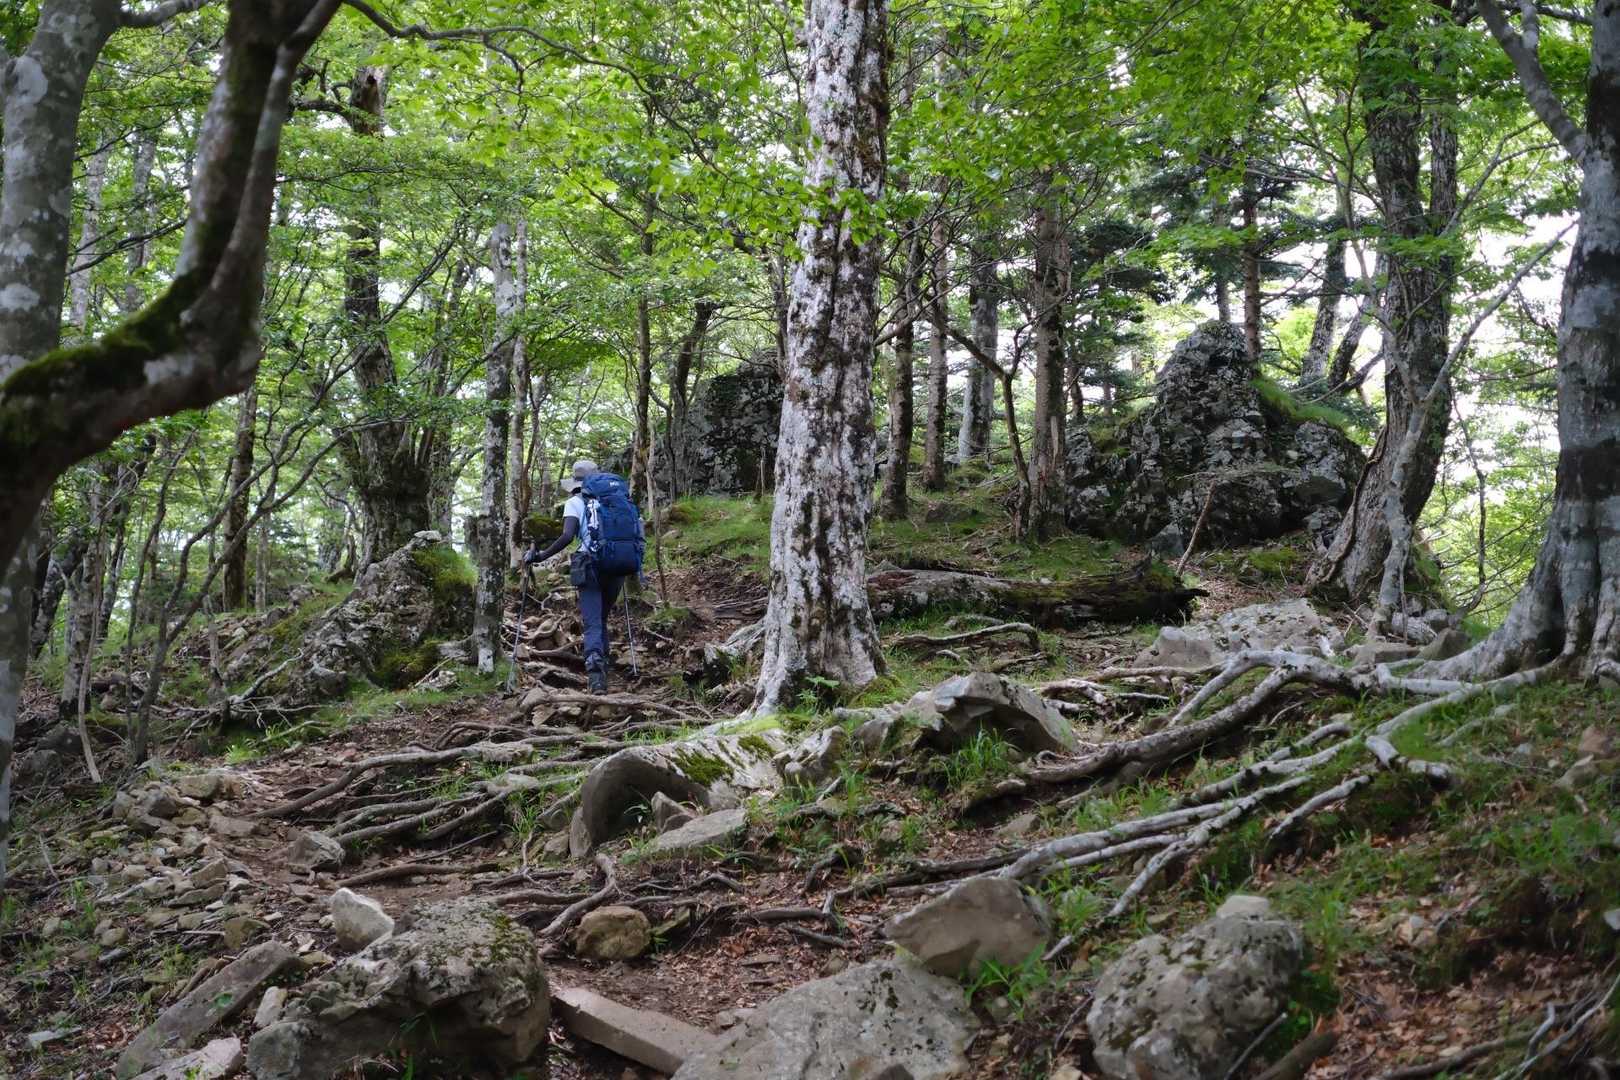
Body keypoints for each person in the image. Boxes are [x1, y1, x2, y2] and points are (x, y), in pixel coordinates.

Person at [524, 459, 637, 694]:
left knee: (593, 621)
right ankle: (604, 664)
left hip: (589, 566)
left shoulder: (574, 502)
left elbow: (567, 536)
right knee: (601, 618)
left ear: (575, 483)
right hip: (616, 564)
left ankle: (596, 678)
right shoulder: (615, 500)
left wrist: (540, 556)